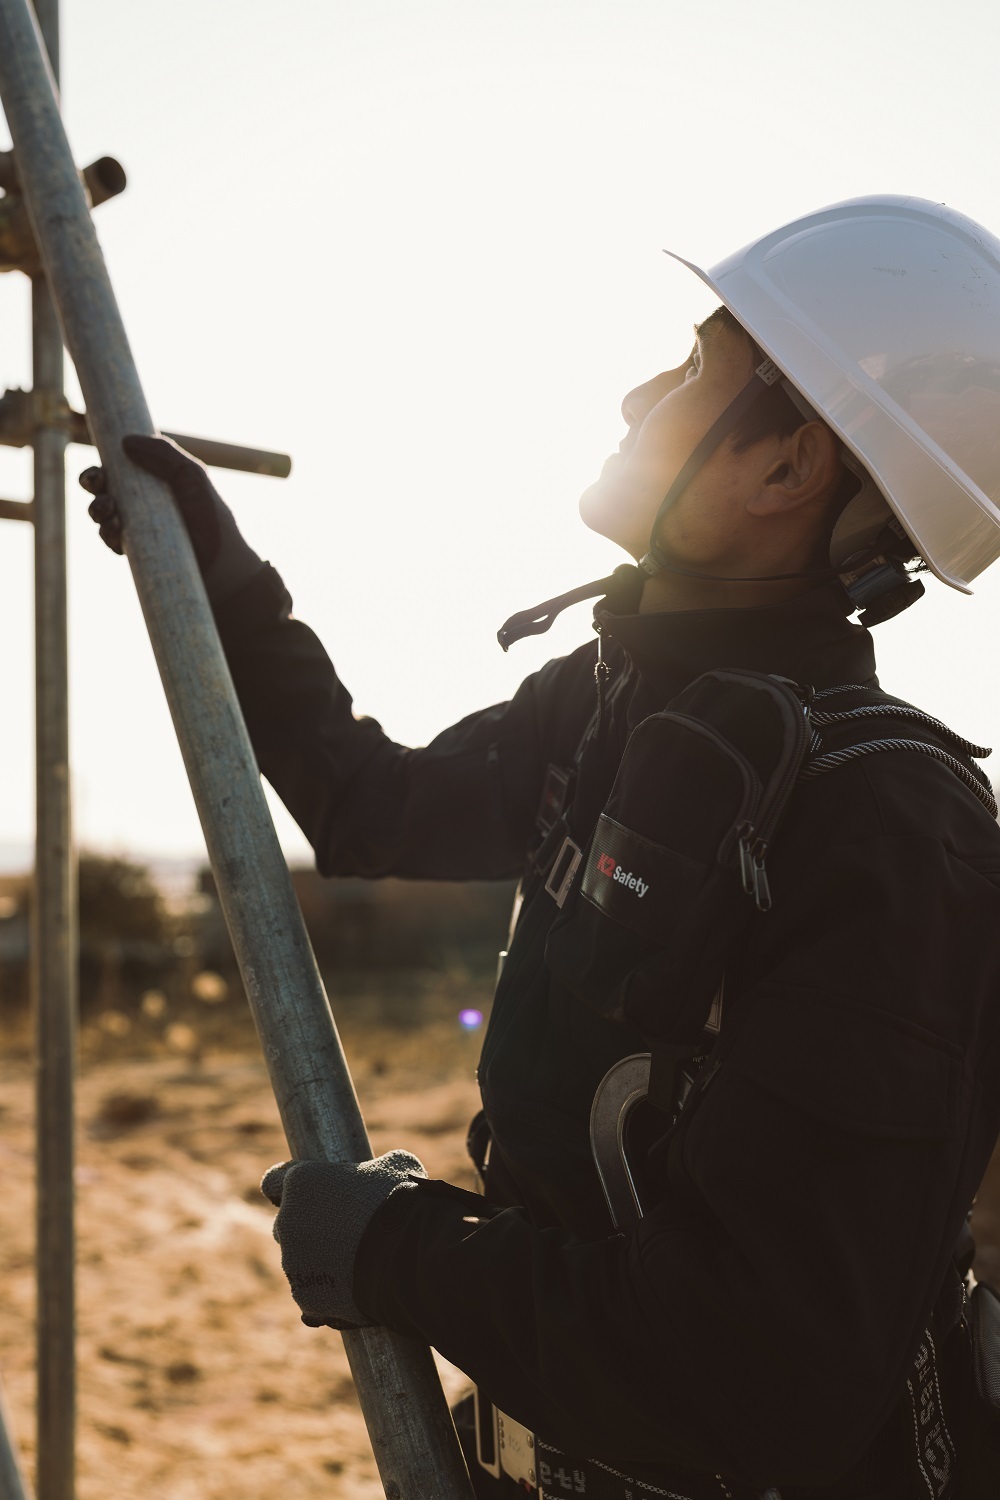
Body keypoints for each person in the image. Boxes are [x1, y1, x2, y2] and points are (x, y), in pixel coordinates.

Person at [83, 195, 1000, 1500]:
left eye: (697, 369)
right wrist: (220, 585)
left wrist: (406, 1250)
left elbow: (765, 1371)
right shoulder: (615, 703)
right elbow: (367, 804)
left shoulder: (890, 829)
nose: (639, 395)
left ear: (787, 467)